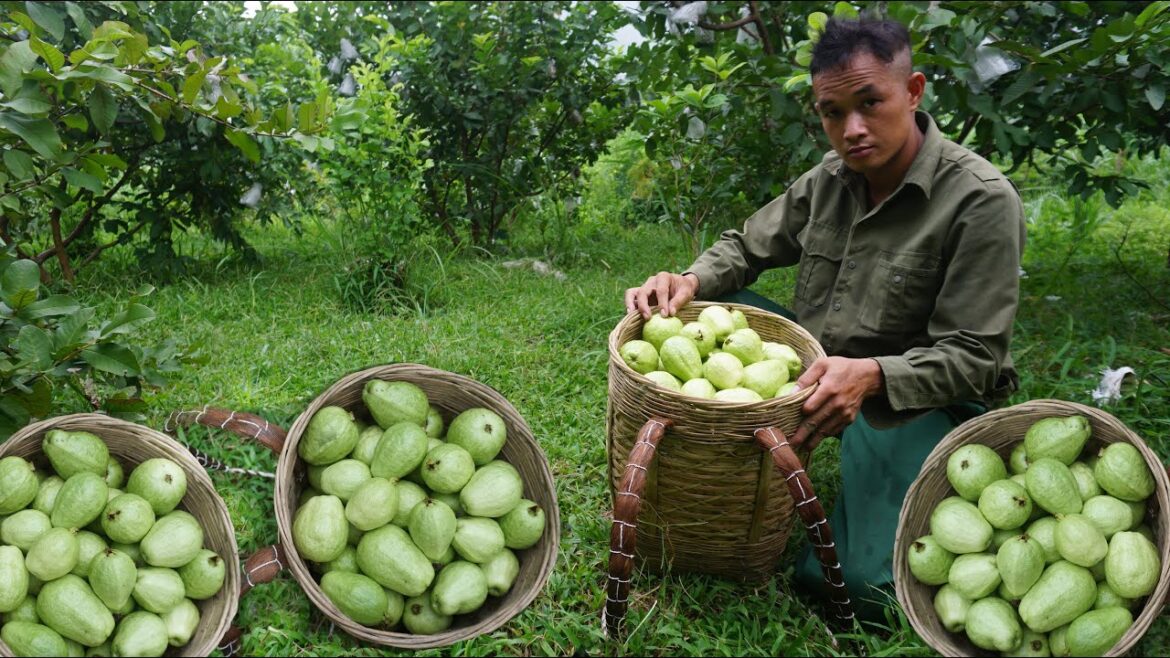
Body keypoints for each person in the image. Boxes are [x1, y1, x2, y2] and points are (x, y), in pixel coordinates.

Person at [623, 17, 1026, 622]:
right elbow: (747, 247)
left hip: (912, 396)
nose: (851, 129)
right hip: (814, 366)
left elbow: (976, 356)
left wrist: (872, 376)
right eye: (832, 113)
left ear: (913, 91)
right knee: (686, 316)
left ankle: (880, 465)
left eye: (870, 103)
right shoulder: (831, 178)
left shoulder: (980, 199)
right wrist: (690, 280)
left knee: (860, 588)